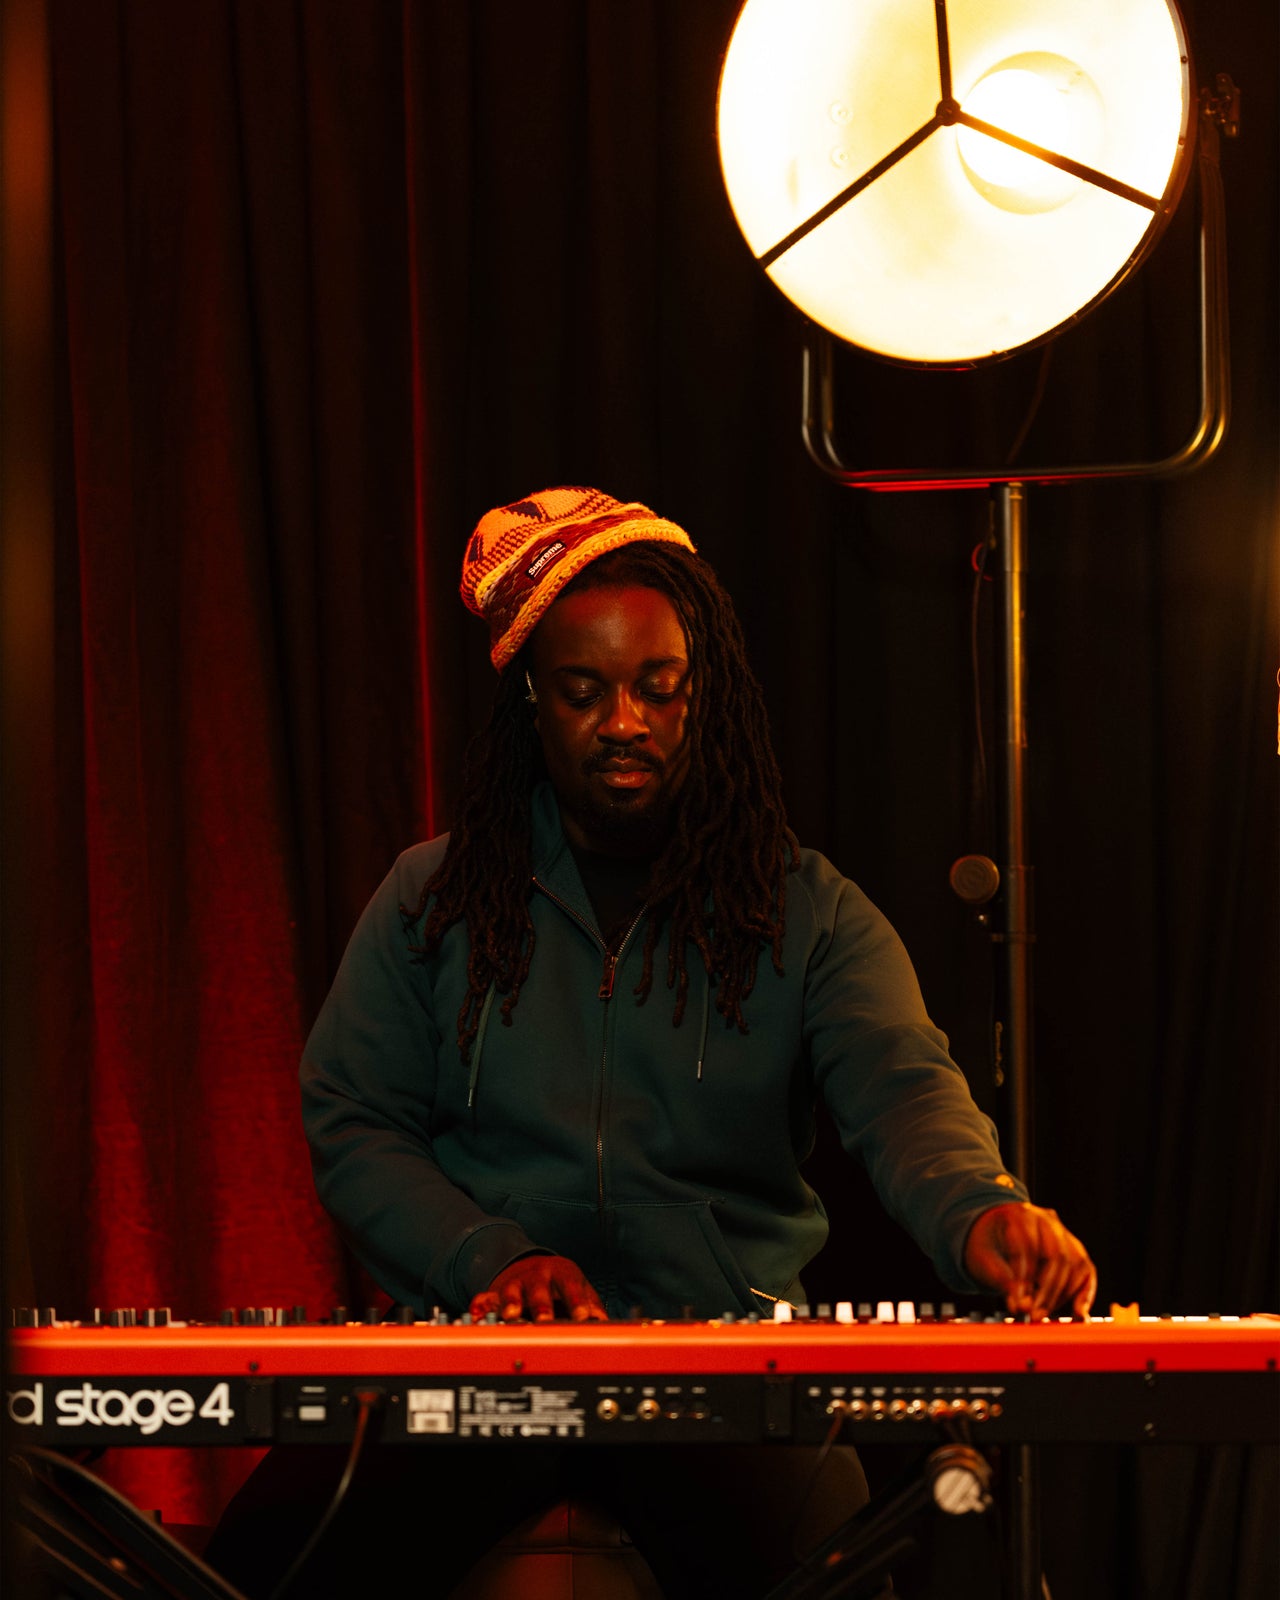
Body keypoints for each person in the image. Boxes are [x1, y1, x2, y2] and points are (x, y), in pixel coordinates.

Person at [209, 486, 1095, 1599]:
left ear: (700, 694)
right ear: (533, 701)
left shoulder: (805, 909)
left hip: (721, 1363)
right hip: (479, 1361)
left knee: (846, 1576)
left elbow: (903, 1090)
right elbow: (353, 1118)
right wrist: (491, 1260)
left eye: (658, 687)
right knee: (258, 1564)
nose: (623, 720)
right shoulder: (432, 895)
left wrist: (979, 1209)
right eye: (583, 691)